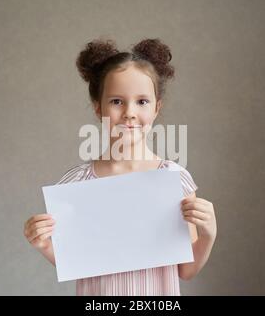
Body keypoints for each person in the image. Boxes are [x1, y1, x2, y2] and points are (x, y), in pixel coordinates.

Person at [23, 38, 217, 295]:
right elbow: (79, 262)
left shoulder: (174, 179)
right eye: (116, 101)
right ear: (98, 108)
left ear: (157, 108)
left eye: (142, 102)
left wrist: (207, 235)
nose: (129, 112)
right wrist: (44, 244)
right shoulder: (77, 183)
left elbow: (186, 271)